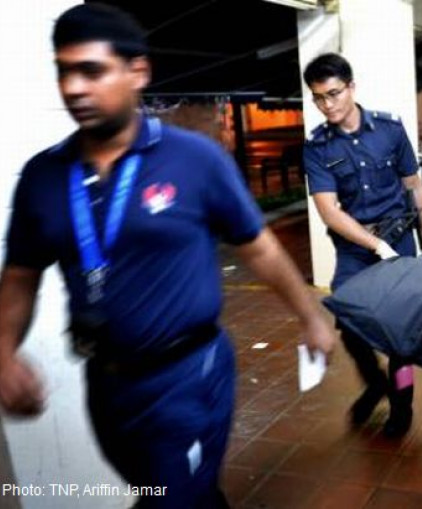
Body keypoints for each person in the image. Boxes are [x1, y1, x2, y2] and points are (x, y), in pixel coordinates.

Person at [0, 4, 335, 508]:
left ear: (138, 72)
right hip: (107, 385)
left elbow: (260, 248)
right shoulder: (43, 178)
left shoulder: (193, 160)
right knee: (167, 490)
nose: (73, 87)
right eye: (64, 71)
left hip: (188, 375)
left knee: (169, 499)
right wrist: (3, 352)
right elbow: (21, 275)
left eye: (91, 70)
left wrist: (312, 318)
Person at [302, 53, 422, 438]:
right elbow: (330, 212)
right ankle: (374, 383)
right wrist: (374, 246)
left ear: (351, 87)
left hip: (400, 238)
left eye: (333, 94)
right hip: (356, 248)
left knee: (402, 334)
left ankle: (401, 405)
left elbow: (415, 189)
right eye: (319, 98)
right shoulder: (317, 148)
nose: (327, 105)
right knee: (349, 323)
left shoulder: (389, 129)